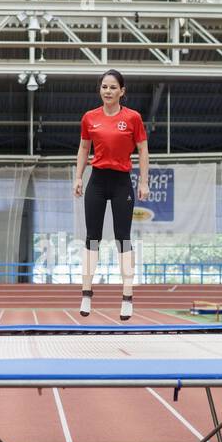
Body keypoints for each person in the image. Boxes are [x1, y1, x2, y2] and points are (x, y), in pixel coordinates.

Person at [74, 69, 150, 320]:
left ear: (122, 91)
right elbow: (84, 147)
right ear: (100, 90)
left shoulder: (133, 118)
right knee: (91, 237)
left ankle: (127, 296)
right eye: (104, 87)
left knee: (123, 238)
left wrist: (144, 181)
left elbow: (143, 150)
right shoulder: (89, 118)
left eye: (113, 87)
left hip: (121, 183)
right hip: (97, 181)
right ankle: (86, 293)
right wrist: (78, 177)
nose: (108, 91)